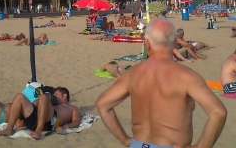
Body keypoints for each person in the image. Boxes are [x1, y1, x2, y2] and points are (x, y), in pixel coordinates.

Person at [95, 18, 227, 148]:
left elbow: (102, 104)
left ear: (147, 44)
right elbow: (218, 112)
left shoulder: (132, 74)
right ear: (175, 43)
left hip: (138, 144)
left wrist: (124, 140)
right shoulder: (187, 77)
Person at [0, 87, 81, 140]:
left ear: (64, 95)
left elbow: (76, 121)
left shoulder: (72, 108)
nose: (54, 96)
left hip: (49, 121)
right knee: (19, 96)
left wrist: (64, 127)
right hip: (33, 119)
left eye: (56, 94)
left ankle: (38, 131)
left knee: (44, 97)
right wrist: (36, 102)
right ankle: (9, 128)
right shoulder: (52, 103)